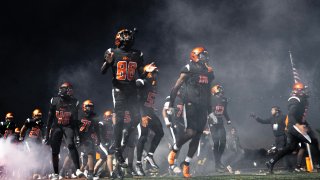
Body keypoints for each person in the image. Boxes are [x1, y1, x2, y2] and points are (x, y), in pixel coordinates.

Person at [101, 28, 156, 167]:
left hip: (131, 90)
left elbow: (141, 74)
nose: (128, 37)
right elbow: (102, 72)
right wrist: (107, 63)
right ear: (119, 37)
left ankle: (126, 133)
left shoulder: (137, 54)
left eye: (129, 35)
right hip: (119, 90)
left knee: (137, 117)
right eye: (125, 34)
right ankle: (118, 150)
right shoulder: (113, 52)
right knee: (119, 120)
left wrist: (146, 71)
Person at [167, 47, 214, 177]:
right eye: (202, 55)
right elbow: (176, 86)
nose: (205, 58)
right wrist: (171, 104)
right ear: (195, 56)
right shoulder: (188, 68)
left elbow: (208, 93)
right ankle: (174, 149)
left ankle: (186, 164)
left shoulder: (208, 71)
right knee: (191, 132)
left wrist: (210, 111)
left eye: (205, 55)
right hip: (191, 104)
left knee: (198, 135)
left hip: (203, 106)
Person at [266, 82, 320, 173]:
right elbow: (291, 115)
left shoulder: (302, 100)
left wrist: (304, 124)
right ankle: (318, 165)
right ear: (297, 91)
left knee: (290, 147)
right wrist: (299, 125)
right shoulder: (295, 99)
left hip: (294, 126)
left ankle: (271, 162)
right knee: (313, 141)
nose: (305, 92)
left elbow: (299, 116)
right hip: (294, 126)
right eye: (302, 90)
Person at [44, 82, 83, 180]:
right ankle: (56, 173)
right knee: (55, 151)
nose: (71, 91)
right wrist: (46, 135)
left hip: (68, 126)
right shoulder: (55, 101)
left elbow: (74, 121)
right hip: (57, 127)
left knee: (70, 144)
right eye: (69, 89)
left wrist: (77, 135)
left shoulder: (74, 102)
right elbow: (49, 119)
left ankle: (78, 169)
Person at [251, 106, 293, 171]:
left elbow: (289, 123)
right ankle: (289, 167)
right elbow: (263, 121)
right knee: (281, 152)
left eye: (272, 110)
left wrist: (288, 131)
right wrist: (255, 117)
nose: (271, 111)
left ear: (277, 111)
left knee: (282, 151)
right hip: (277, 138)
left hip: (283, 136)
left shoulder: (283, 117)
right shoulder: (272, 118)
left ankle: (288, 167)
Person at [208, 84, 231, 172]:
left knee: (223, 142)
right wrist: (213, 118)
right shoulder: (211, 99)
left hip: (220, 122)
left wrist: (228, 119)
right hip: (212, 123)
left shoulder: (224, 100)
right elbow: (208, 111)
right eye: (219, 89)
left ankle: (218, 161)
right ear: (215, 90)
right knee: (216, 143)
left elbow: (225, 111)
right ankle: (217, 164)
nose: (221, 91)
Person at [162, 91, 185, 174]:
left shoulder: (183, 100)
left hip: (180, 123)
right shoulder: (171, 97)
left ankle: (173, 163)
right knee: (176, 143)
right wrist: (166, 120)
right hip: (172, 123)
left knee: (179, 144)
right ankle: (172, 164)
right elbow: (164, 110)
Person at [78, 100, 101, 180]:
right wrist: (75, 137)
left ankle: (90, 174)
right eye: (88, 106)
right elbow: (74, 127)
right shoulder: (79, 114)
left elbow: (97, 129)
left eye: (91, 107)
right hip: (78, 137)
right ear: (84, 106)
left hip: (88, 138)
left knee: (90, 154)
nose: (90, 108)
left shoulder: (94, 116)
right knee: (71, 155)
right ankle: (62, 172)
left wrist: (99, 138)